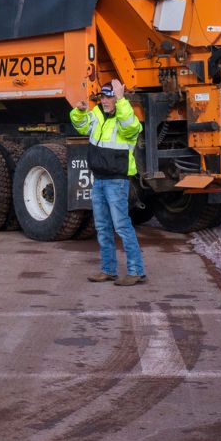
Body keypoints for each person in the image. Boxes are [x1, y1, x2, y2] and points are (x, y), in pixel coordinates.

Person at [70, 78, 146, 286]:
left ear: (117, 98)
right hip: (100, 180)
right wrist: (80, 112)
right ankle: (108, 270)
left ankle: (136, 271)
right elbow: (81, 127)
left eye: (109, 97)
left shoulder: (126, 118)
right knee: (102, 227)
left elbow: (131, 128)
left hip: (117, 181)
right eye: (103, 96)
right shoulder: (97, 116)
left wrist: (121, 100)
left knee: (122, 226)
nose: (105, 101)